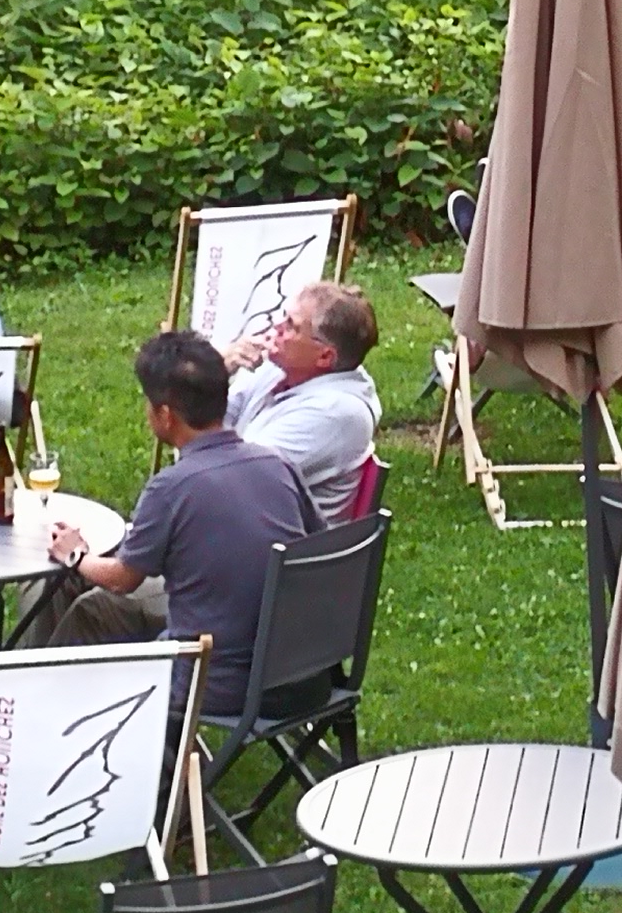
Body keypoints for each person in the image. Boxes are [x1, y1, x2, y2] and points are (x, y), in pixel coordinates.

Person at [47, 331, 316, 715]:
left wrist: (75, 555)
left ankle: (33, 708)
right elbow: (322, 545)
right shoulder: (277, 464)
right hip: (302, 676)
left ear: (165, 415)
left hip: (213, 682)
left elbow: (123, 580)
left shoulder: (171, 487)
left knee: (91, 614)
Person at [224, 281, 383, 523]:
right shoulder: (283, 367)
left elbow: (231, 478)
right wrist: (215, 371)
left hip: (279, 541)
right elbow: (211, 418)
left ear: (325, 356)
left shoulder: (333, 414)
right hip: (246, 520)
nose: (276, 326)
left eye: (291, 325)